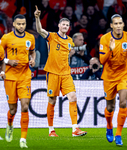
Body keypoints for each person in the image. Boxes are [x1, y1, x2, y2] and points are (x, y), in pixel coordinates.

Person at [34, 6, 87, 137]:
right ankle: (51, 130)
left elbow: (65, 55)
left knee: (73, 97)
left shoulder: (70, 41)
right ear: (59, 26)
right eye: (63, 24)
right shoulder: (51, 36)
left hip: (66, 74)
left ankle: (75, 129)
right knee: (52, 101)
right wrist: (37, 17)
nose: (65, 26)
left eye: (67, 25)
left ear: (69, 27)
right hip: (52, 73)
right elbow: (40, 30)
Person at [99, 14, 127, 146]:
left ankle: (119, 134)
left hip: (124, 74)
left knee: (123, 103)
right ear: (111, 25)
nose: (118, 26)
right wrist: (110, 51)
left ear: (123, 25)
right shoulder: (105, 39)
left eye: (120, 23)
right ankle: (109, 126)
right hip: (109, 77)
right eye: (115, 24)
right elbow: (102, 61)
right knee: (110, 107)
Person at [0, 14, 36, 148]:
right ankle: (9, 124)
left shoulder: (30, 37)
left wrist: (33, 59)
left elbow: (32, 52)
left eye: (23, 24)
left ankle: (23, 139)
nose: (21, 26)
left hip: (25, 75)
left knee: (25, 106)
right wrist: (8, 61)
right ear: (13, 24)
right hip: (10, 76)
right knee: (13, 110)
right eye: (19, 24)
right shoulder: (6, 38)